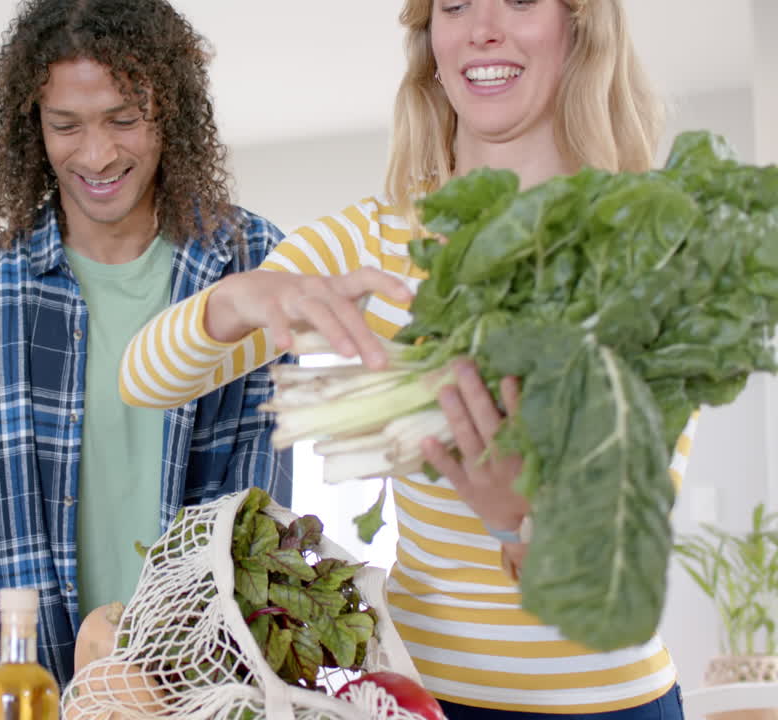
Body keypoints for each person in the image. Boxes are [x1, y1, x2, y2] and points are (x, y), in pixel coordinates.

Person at [120, 0, 694, 717]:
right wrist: (238, 298)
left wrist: (519, 522)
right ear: (432, 43)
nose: (482, 27)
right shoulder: (375, 240)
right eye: (454, 4)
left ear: (580, 25)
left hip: (613, 702)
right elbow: (142, 379)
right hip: (420, 698)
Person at [0, 0, 293, 692]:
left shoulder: (250, 265)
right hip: (39, 689)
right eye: (66, 125)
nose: (97, 154)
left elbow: (260, 497)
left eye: (124, 119)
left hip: (212, 687)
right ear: (33, 125)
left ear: (170, 111)